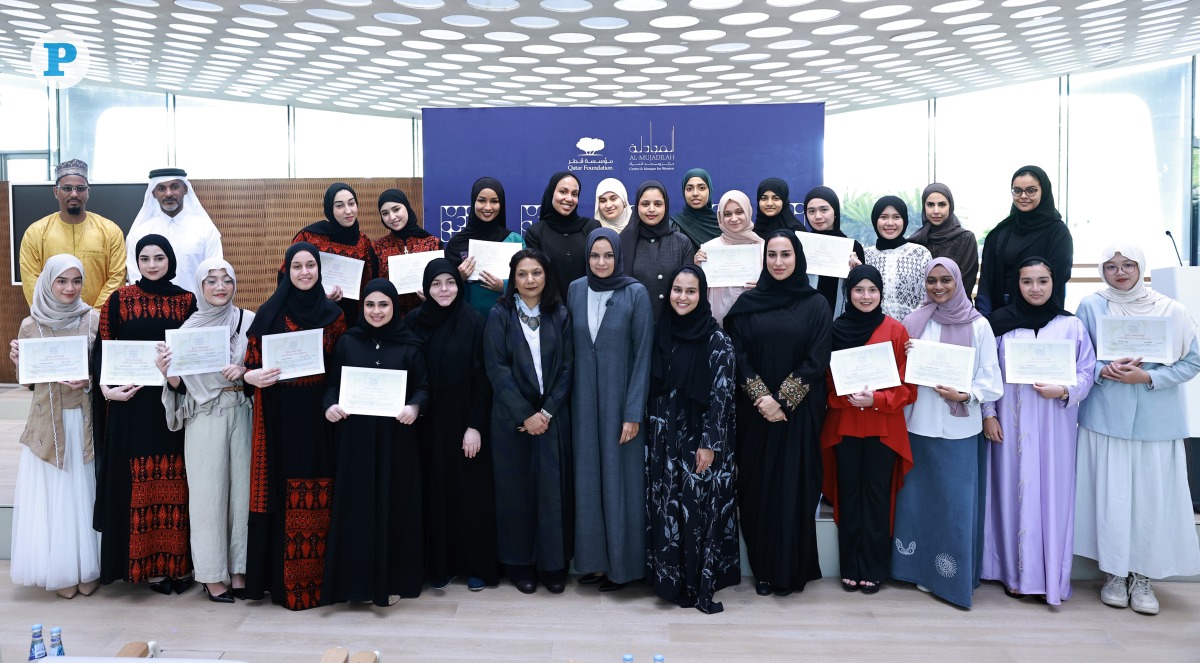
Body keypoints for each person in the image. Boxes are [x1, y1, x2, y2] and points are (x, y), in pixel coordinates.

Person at [1074, 243, 1200, 616]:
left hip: (1156, 422)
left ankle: (1143, 576)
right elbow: (1078, 354)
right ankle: (1114, 572)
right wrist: (1101, 370)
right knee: (1111, 497)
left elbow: (1192, 362)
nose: (1120, 272)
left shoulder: (1170, 309)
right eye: (1111, 266)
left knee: (1150, 500)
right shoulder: (1091, 306)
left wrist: (1148, 376)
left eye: (1128, 265)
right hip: (1106, 418)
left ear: (1141, 267)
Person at [724, 230, 832, 597]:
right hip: (755, 416)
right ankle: (764, 571)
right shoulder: (747, 303)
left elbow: (817, 359)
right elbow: (736, 355)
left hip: (798, 417)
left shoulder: (816, 304)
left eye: (786, 254)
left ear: (798, 258)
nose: (779, 262)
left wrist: (781, 402)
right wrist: (761, 399)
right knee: (756, 492)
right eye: (772, 255)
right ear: (764, 258)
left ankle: (790, 571)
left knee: (793, 491)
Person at [981, 258, 1095, 605]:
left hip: (1054, 427)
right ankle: (1013, 575)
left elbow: (1087, 371)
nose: (1035, 289)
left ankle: (1047, 578)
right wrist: (988, 414)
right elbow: (986, 372)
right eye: (1027, 282)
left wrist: (1063, 390)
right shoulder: (999, 324)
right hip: (1009, 425)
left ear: (1054, 283)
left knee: (1050, 496)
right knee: (1009, 494)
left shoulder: (1071, 325)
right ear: (1017, 285)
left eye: (1043, 281)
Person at [242, 243, 347, 611]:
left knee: (320, 492)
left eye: (311, 266)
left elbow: (340, 367)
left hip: (321, 419)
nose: (305, 272)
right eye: (298, 266)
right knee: (281, 493)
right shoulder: (270, 313)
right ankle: (280, 584)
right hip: (279, 417)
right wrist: (251, 376)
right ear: (286, 271)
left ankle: (319, 583)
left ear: (320, 270)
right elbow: (248, 369)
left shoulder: (334, 315)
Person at [893, 258, 1002, 609]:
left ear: (958, 282)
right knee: (918, 501)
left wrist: (966, 394)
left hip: (960, 427)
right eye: (932, 281)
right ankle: (916, 569)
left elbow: (990, 376)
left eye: (946, 281)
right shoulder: (913, 321)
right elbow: (896, 369)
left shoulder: (979, 325)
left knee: (955, 504)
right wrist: (905, 353)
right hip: (918, 425)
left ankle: (951, 578)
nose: (938, 287)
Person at [93, 235, 197, 593]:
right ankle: (140, 568)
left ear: (170, 259)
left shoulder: (186, 301)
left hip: (169, 407)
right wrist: (108, 390)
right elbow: (103, 350)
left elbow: (192, 351)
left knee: (175, 482)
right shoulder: (119, 299)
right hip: (131, 406)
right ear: (136, 262)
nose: (152, 264)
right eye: (145, 258)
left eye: (159, 257)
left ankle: (175, 568)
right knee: (137, 481)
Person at [321, 279, 428, 606]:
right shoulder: (347, 343)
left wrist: (415, 407)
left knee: (393, 506)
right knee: (358, 509)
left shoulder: (410, 344)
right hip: (356, 441)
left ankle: (391, 580)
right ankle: (355, 586)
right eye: (370, 305)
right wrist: (329, 406)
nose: (377, 311)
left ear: (395, 307)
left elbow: (423, 387)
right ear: (362, 307)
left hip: (396, 440)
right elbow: (331, 386)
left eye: (383, 305)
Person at [157, 258, 254, 603]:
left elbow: (262, 366)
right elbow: (179, 387)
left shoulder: (249, 322)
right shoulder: (184, 334)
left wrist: (244, 371)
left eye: (226, 280)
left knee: (242, 495)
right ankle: (213, 576)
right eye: (211, 281)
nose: (219, 287)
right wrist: (169, 375)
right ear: (200, 287)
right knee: (208, 497)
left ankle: (240, 569)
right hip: (203, 417)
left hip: (242, 411)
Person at [645, 265, 740, 614]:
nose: (682, 298)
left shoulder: (716, 340)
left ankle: (694, 583)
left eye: (691, 291)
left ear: (702, 296)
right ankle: (668, 580)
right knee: (666, 508)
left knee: (695, 511)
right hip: (661, 438)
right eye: (677, 290)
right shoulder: (660, 331)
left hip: (698, 440)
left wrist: (710, 444)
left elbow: (722, 396)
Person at [8, 255, 101, 599]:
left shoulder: (94, 320)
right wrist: (20, 363)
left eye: (76, 281)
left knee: (83, 492)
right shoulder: (30, 325)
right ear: (48, 282)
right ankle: (61, 568)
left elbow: (103, 370)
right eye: (62, 281)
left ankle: (87, 564)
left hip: (84, 420)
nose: (69, 288)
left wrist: (88, 379)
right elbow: (27, 383)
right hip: (49, 423)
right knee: (57, 494)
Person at [819, 265, 915, 595]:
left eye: (872, 290)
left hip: (882, 428)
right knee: (848, 496)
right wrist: (848, 396)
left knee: (877, 498)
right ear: (849, 294)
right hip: (845, 425)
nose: (865, 296)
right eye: (858, 290)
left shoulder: (895, 330)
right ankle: (851, 565)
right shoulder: (835, 330)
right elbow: (826, 381)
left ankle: (874, 567)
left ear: (880, 293)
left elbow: (907, 387)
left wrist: (876, 399)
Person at [483, 249, 574, 594]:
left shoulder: (560, 314)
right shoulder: (499, 314)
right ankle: (520, 565)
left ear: (546, 276)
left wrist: (546, 412)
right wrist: (526, 413)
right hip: (512, 420)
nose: (530, 280)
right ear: (512, 278)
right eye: (522, 274)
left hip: (552, 419)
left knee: (552, 494)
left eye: (536, 273)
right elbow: (496, 369)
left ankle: (553, 565)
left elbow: (568, 368)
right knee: (516, 493)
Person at [406, 259, 499, 592]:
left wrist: (475, 425)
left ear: (460, 287)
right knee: (433, 492)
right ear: (426, 288)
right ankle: (440, 566)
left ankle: (473, 565)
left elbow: (483, 378)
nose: (444, 290)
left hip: (464, 422)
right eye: (436, 284)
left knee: (469, 494)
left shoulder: (474, 321)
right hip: (425, 423)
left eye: (450, 282)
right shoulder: (414, 321)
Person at [569, 228, 654, 592]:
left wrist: (633, 412)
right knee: (588, 480)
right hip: (582, 401)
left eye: (607, 256)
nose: (601, 263)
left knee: (621, 484)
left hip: (621, 404)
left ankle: (623, 567)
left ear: (618, 256)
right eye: (594, 256)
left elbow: (643, 356)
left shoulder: (635, 292)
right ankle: (594, 563)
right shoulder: (575, 289)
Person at [20, 159, 126, 310]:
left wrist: (95, 315)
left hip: (99, 320)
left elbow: (117, 277)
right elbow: (31, 279)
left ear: (88, 192)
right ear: (56, 191)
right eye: (67, 188)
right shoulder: (36, 232)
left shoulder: (110, 231)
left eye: (80, 188)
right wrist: (52, 313)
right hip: (52, 320)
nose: (74, 194)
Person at [976, 166, 1073, 316]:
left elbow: (1057, 278)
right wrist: (984, 317)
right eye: (1017, 190)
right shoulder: (1001, 231)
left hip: (1040, 316)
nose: (1023, 196)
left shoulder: (1058, 232)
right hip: (999, 314)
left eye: (1031, 190)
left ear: (1044, 191)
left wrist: (1009, 315)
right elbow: (986, 280)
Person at [289, 182, 379, 324]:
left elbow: (368, 283)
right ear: (330, 208)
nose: (348, 211)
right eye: (339, 205)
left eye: (351, 203)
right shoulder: (309, 237)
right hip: (315, 317)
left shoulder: (363, 242)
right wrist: (318, 294)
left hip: (352, 320)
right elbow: (287, 275)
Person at [125, 167, 223, 298]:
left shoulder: (206, 230)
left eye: (175, 187)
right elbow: (135, 278)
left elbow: (215, 274)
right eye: (161, 188)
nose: (169, 193)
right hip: (153, 313)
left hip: (196, 312)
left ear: (185, 189)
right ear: (153, 193)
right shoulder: (139, 233)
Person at [445, 177, 525, 317]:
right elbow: (444, 287)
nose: (488, 207)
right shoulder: (456, 243)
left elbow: (528, 279)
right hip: (467, 321)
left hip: (508, 319)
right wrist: (458, 277)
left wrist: (504, 286)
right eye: (482, 200)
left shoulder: (514, 240)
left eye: (494, 201)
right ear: (473, 202)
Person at [619, 181, 694, 321]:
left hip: (674, 324)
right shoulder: (623, 242)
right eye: (645, 204)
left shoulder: (682, 242)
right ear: (637, 206)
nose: (651, 209)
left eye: (658, 204)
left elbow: (690, 288)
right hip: (634, 324)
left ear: (666, 206)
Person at [692, 190, 762, 327]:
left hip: (754, 324)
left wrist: (764, 286)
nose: (734, 219)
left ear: (748, 212)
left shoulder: (763, 248)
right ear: (720, 217)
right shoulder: (708, 249)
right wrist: (698, 270)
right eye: (727, 214)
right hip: (718, 325)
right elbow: (699, 293)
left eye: (739, 212)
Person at [526, 171, 600, 300]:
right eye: (563, 191)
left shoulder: (592, 228)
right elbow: (537, 278)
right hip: (550, 311)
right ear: (551, 193)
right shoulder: (536, 233)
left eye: (574, 194)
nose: (569, 199)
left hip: (588, 309)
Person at [373, 188, 441, 318]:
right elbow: (372, 287)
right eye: (385, 213)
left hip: (428, 316)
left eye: (396, 209)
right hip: (391, 320)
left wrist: (432, 294)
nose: (392, 217)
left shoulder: (433, 243)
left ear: (407, 207)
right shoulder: (377, 247)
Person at [863, 196, 932, 321]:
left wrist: (912, 327)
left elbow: (927, 297)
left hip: (912, 333)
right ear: (875, 220)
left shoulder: (920, 254)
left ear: (904, 220)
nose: (890, 223)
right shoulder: (865, 255)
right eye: (883, 217)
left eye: (896, 217)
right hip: (873, 332)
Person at [909, 183, 978, 299]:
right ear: (924, 207)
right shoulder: (915, 242)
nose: (936, 211)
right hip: (922, 311)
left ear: (950, 207)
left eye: (942, 205)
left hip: (956, 311)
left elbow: (966, 284)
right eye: (930, 205)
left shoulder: (966, 239)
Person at [803, 186, 866, 315]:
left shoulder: (853, 247)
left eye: (824, 210)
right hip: (804, 318)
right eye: (811, 211)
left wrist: (857, 271)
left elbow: (861, 288)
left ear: (835, 211)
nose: (818, 216)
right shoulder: (800, 244)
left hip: (840, 320)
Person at [668, 168, 721, 249]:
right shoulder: (674, 225)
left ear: (710, 190)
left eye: (702, 188)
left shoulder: (722, 224)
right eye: (689, 189)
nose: (695, 193)